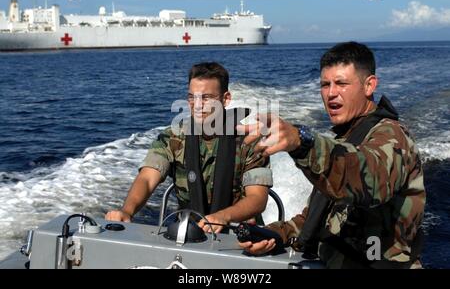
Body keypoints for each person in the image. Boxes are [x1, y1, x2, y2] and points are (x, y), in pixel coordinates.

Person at [237, 42, 425, 269]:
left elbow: (367, 179)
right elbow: (314, 219)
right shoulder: (343, 142)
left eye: (341, 83)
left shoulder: (393, 137)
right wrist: (275, 234)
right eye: (325, 85)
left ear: (369, 86)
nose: (331, 93)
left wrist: (302, 143)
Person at [106, 62, 273, 233]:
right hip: (189, 233)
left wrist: (223, 217)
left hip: (239, 234)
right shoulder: (174, 137)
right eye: (192, 97)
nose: (197, 105)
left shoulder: (251, 142)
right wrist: (127, 211)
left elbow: (257, 198)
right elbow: (147, 179)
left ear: (226, 99)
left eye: (206, 97)